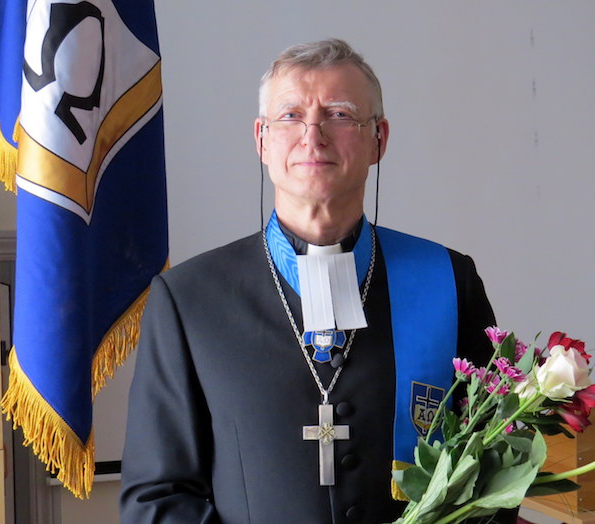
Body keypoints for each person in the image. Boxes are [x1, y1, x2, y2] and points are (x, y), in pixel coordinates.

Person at [120, 39, 515, 523]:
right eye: (290, 116)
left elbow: (497, 467)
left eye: (340, 115)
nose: (313, 135)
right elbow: (156, 498)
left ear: (378, 139)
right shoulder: (189, 299)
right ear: (262, 140)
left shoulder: (448, 281)